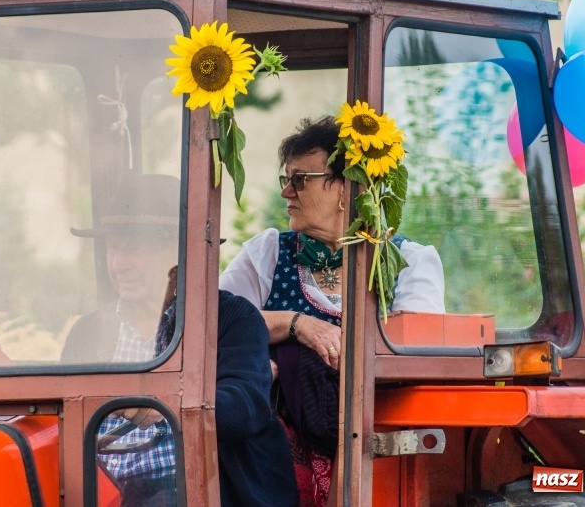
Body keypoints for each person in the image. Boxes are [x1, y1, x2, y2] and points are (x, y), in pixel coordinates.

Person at [218, 116, 445, 506]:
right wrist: (296, 325)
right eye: (286, 179)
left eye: (300, 179)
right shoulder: (268, 253)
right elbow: (215, 326)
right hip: (269, 465)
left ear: (346, 188)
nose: (287, 191)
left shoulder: (407, 262)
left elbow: (417, 360)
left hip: (379, 454)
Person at [62, 173, 298, 507]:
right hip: (104, 492)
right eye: (113, 248)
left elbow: (246, 405)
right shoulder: (88, 330)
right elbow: (64, 416)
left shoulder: (231, 318)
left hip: (198, 489)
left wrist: (162, 406)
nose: (118, 265)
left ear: (178, 251)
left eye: (133, 249)